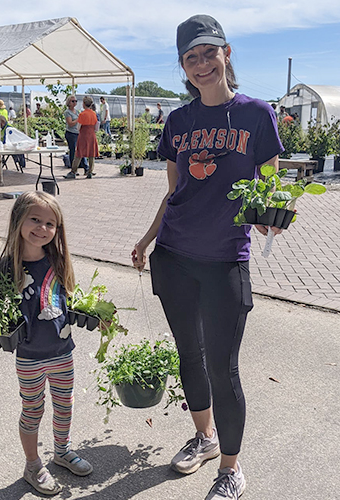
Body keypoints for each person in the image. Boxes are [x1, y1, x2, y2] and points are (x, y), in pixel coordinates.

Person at [131, 14, 283, 500]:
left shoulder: (258, 115)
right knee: (189, 357)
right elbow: (175, 194)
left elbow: (270, 192)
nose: (200, 64)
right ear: (183, 65)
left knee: (223, 366)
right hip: (174, 256)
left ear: (226, 53)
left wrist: (271, 215)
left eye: (208, 53)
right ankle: (205, 438)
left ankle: (231, 470)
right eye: (190, 57)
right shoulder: (178, 121)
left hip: (224, 261)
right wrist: (148, 237)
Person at [0, 191, 93, 496]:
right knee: (32, 410)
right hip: (30, 357)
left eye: (51, 223)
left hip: (63, 353)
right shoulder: (5, 268)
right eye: (35, 219)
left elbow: (71, 301)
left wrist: (95, 313)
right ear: (18, 220)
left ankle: (62, 452)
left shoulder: (58, 261)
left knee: (64, 406)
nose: (42, 228)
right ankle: (33, 464)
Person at [64, 96, 99, 180]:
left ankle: (73, 171)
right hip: (92, 135)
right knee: (91, 153)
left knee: (79, 153)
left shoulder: (82, 114)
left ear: (83, 104)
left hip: (83, 135)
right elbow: (96, 127)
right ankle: (90, 171)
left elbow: (78, 128)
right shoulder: (94, 113)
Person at [64, 95, 89, 174]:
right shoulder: (67, 112)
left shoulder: (77, 111)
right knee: (73, 151)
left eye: (75, 101)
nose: (75, 102)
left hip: (78, 133)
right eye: (73, 101)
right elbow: (70, 124)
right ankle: (73, 169)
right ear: (69, 103)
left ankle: (86, 168)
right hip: (71, 133)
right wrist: (78, 119)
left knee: (81, 150)